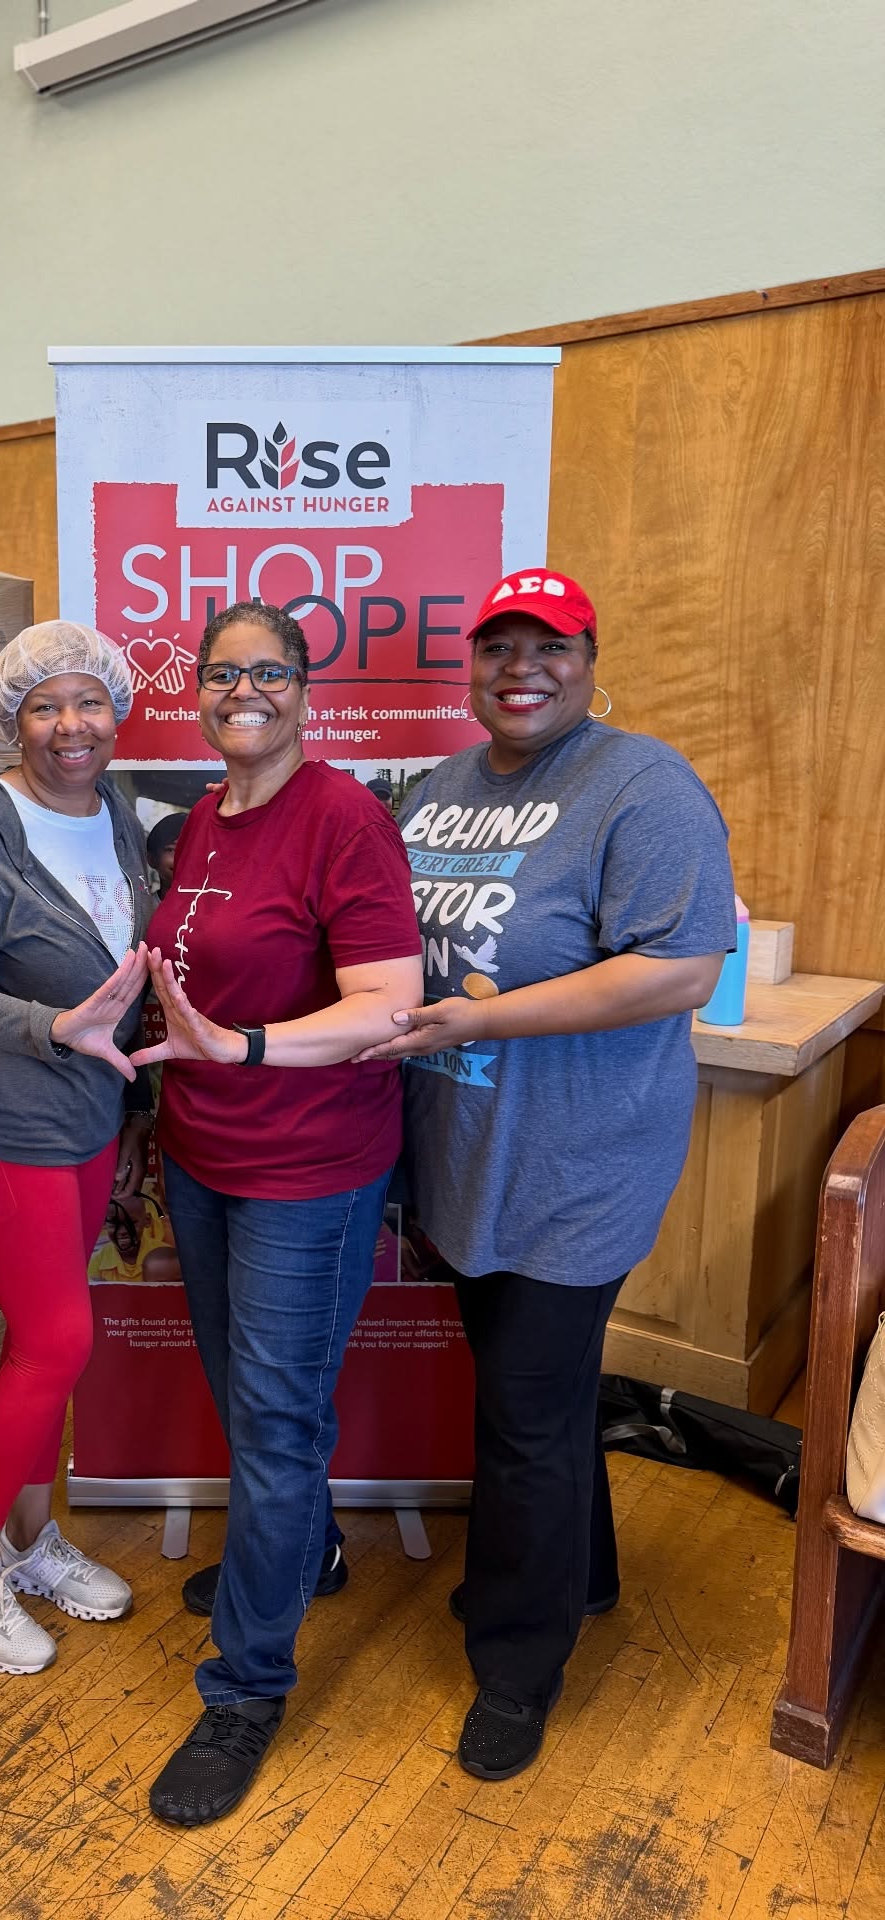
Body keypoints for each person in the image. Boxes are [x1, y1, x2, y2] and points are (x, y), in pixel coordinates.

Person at [360, 568, 735, 1783]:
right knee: (545, 1389)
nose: (523, 667)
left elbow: (680, 969)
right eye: (500, 647)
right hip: (468, 1156)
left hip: (579, 1160)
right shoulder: (440, 789)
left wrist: (485, 1020)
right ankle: (594, 1574)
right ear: (471, 667)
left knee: (521, 1412)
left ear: (588, 656)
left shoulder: (642, 785)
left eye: (550, 646)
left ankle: (518, 1667)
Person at [128, 600, 423, 1826]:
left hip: (309, 1171)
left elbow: (387, 1005)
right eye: (222, 673)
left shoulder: (342, 818)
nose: (242, 691)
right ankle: (309, 1555)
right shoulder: (204, 816)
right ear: (198, 692)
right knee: (257, 1405)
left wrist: (243, 1046)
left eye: (268, 673)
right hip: (202, 1158)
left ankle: (247, 1688)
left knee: (276, 1424)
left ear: (305, 690)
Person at [0, 621, 154, 1675]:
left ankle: (29, 1536)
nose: (69, 725)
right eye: (44, 707)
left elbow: (124, 975)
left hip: (91, 1117)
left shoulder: (120, 813)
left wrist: (131, 1112)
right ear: (15, 719)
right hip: (3, 1116)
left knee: (38, 1344)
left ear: (116, 711)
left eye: (86, 703)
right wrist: (49, 1028)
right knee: (56, 1342)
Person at [146, 810, 186, 894]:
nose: (183, 858)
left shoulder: (216, 906)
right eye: (171, 849)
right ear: (152, 859)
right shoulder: (143, 906)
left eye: (191, 849)